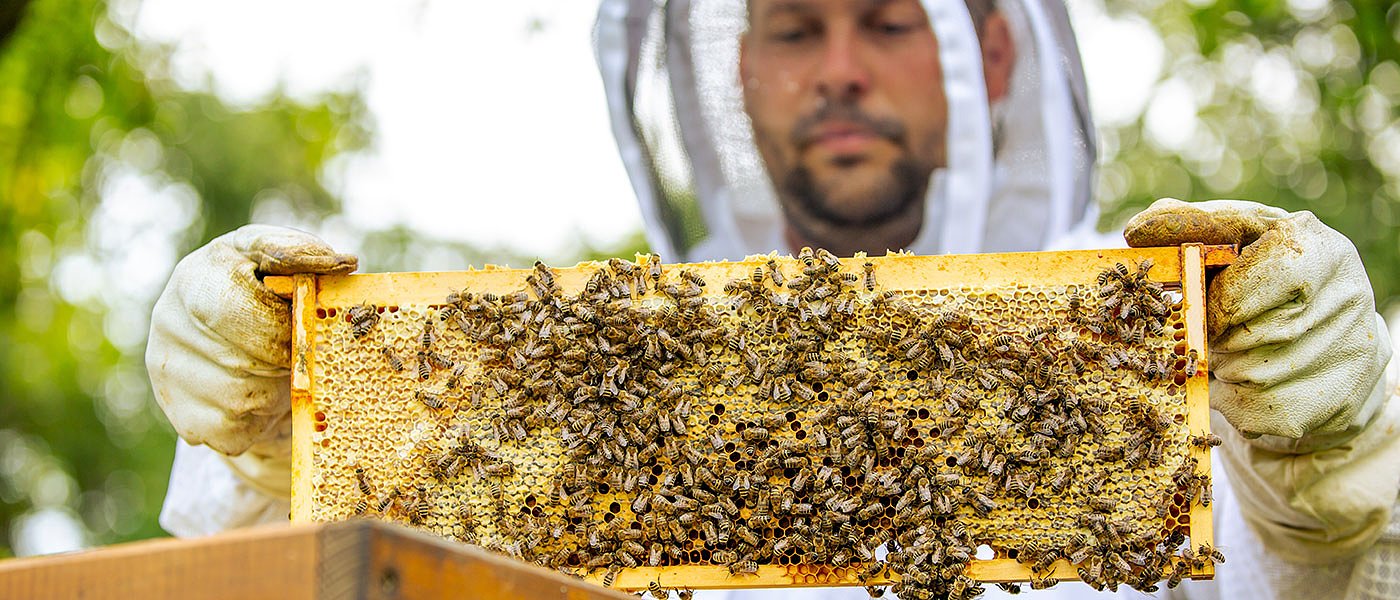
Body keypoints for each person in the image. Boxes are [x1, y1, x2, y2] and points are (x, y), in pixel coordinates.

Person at [146, 0, 1399, 598]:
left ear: (989, 55)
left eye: (887, 24)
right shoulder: (608, 377)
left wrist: (1327, 488)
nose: (839, 72)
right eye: (795, 29)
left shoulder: (1174, 350)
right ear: (734, 70)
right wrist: (264, 453)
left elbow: (1327, 581)